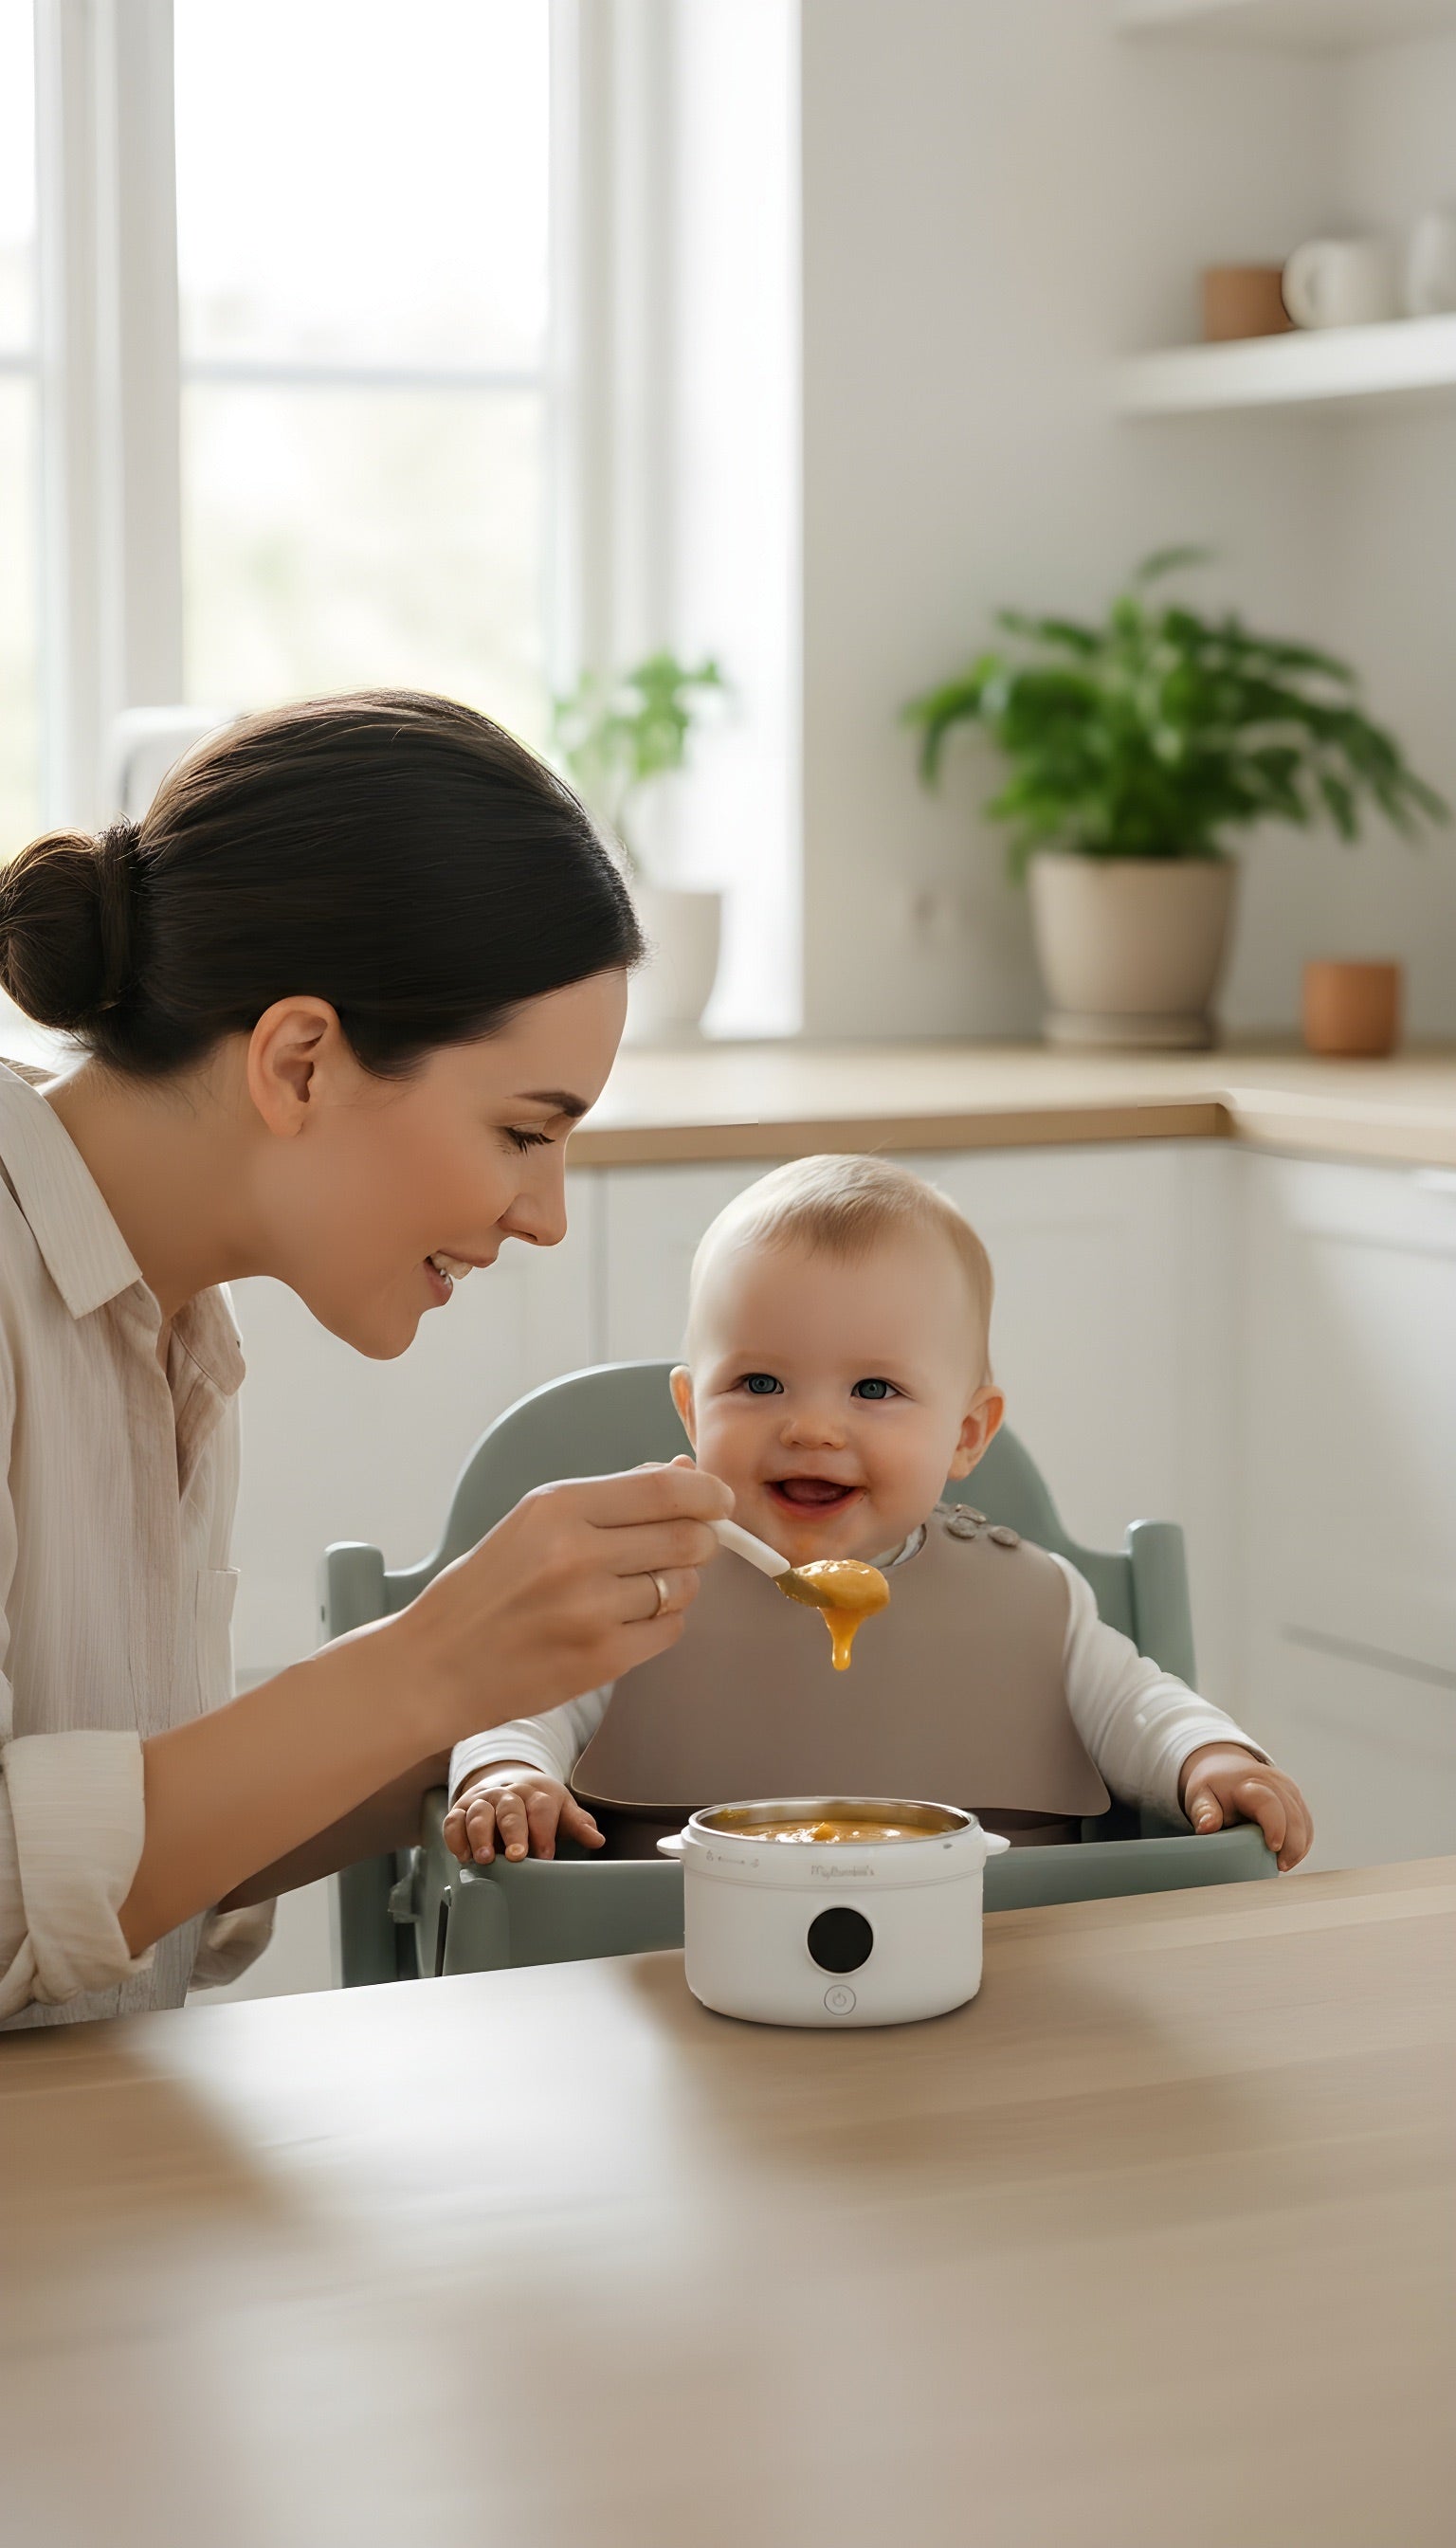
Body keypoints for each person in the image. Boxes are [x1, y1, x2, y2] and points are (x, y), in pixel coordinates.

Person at [0, 690, 731, 2028]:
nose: (546, 1215)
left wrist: (497, 1710)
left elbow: (98, 1854)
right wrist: (430, 1663)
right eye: (524, 1132)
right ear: (299, 1064)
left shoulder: (165, 1329)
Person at [446, 1155, 1313, 1871]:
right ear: (690, 1411)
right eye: (758, 1383)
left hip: (1000, 1984)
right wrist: (508, 1770)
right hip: (674, 1974)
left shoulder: (1032, 1601)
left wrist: (1213, 1757)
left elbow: (1137, 1709)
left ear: (967, 1433)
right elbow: (526, 1701)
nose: (813, 1427)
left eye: (874, 1389)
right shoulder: (642, 1584)